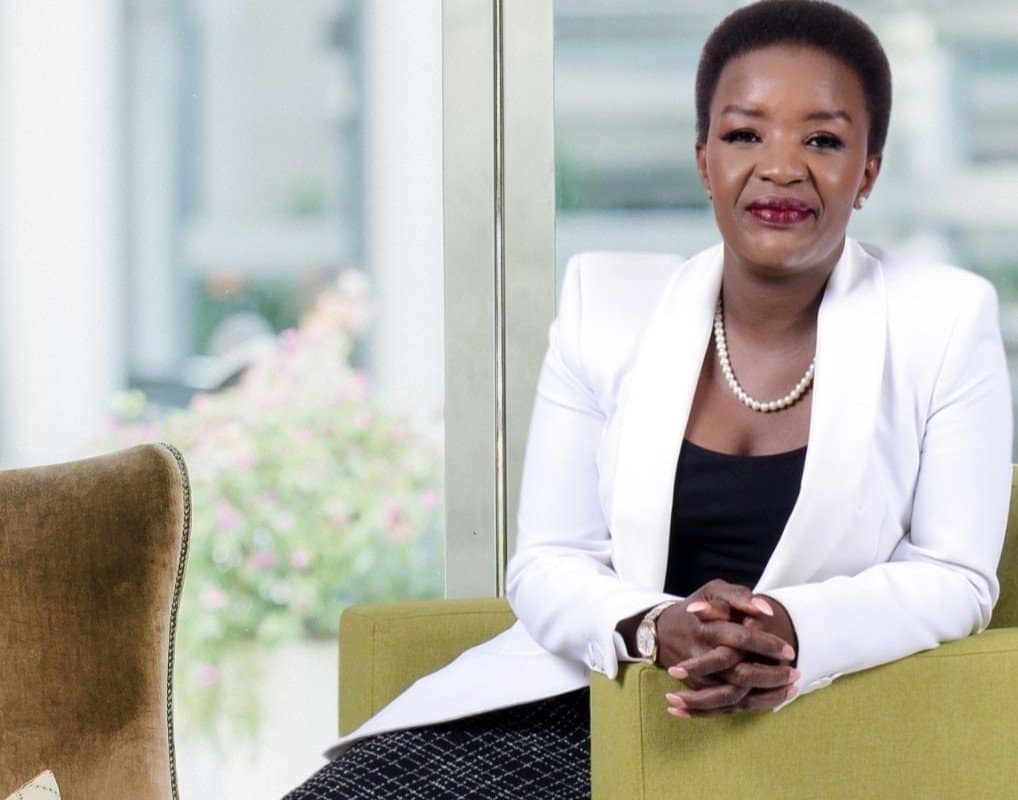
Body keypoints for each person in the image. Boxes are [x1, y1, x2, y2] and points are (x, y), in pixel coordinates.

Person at [282, 1, 1012, 797]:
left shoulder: (943, 319)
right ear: (704, 159)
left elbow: (956, 575)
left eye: (823, 141)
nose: (780, 167)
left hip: (798, 720)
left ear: (867, 170)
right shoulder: (605, 304)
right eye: (745, 134)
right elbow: (547, 561)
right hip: (592, 694)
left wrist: (789, 629)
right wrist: (654, 625)